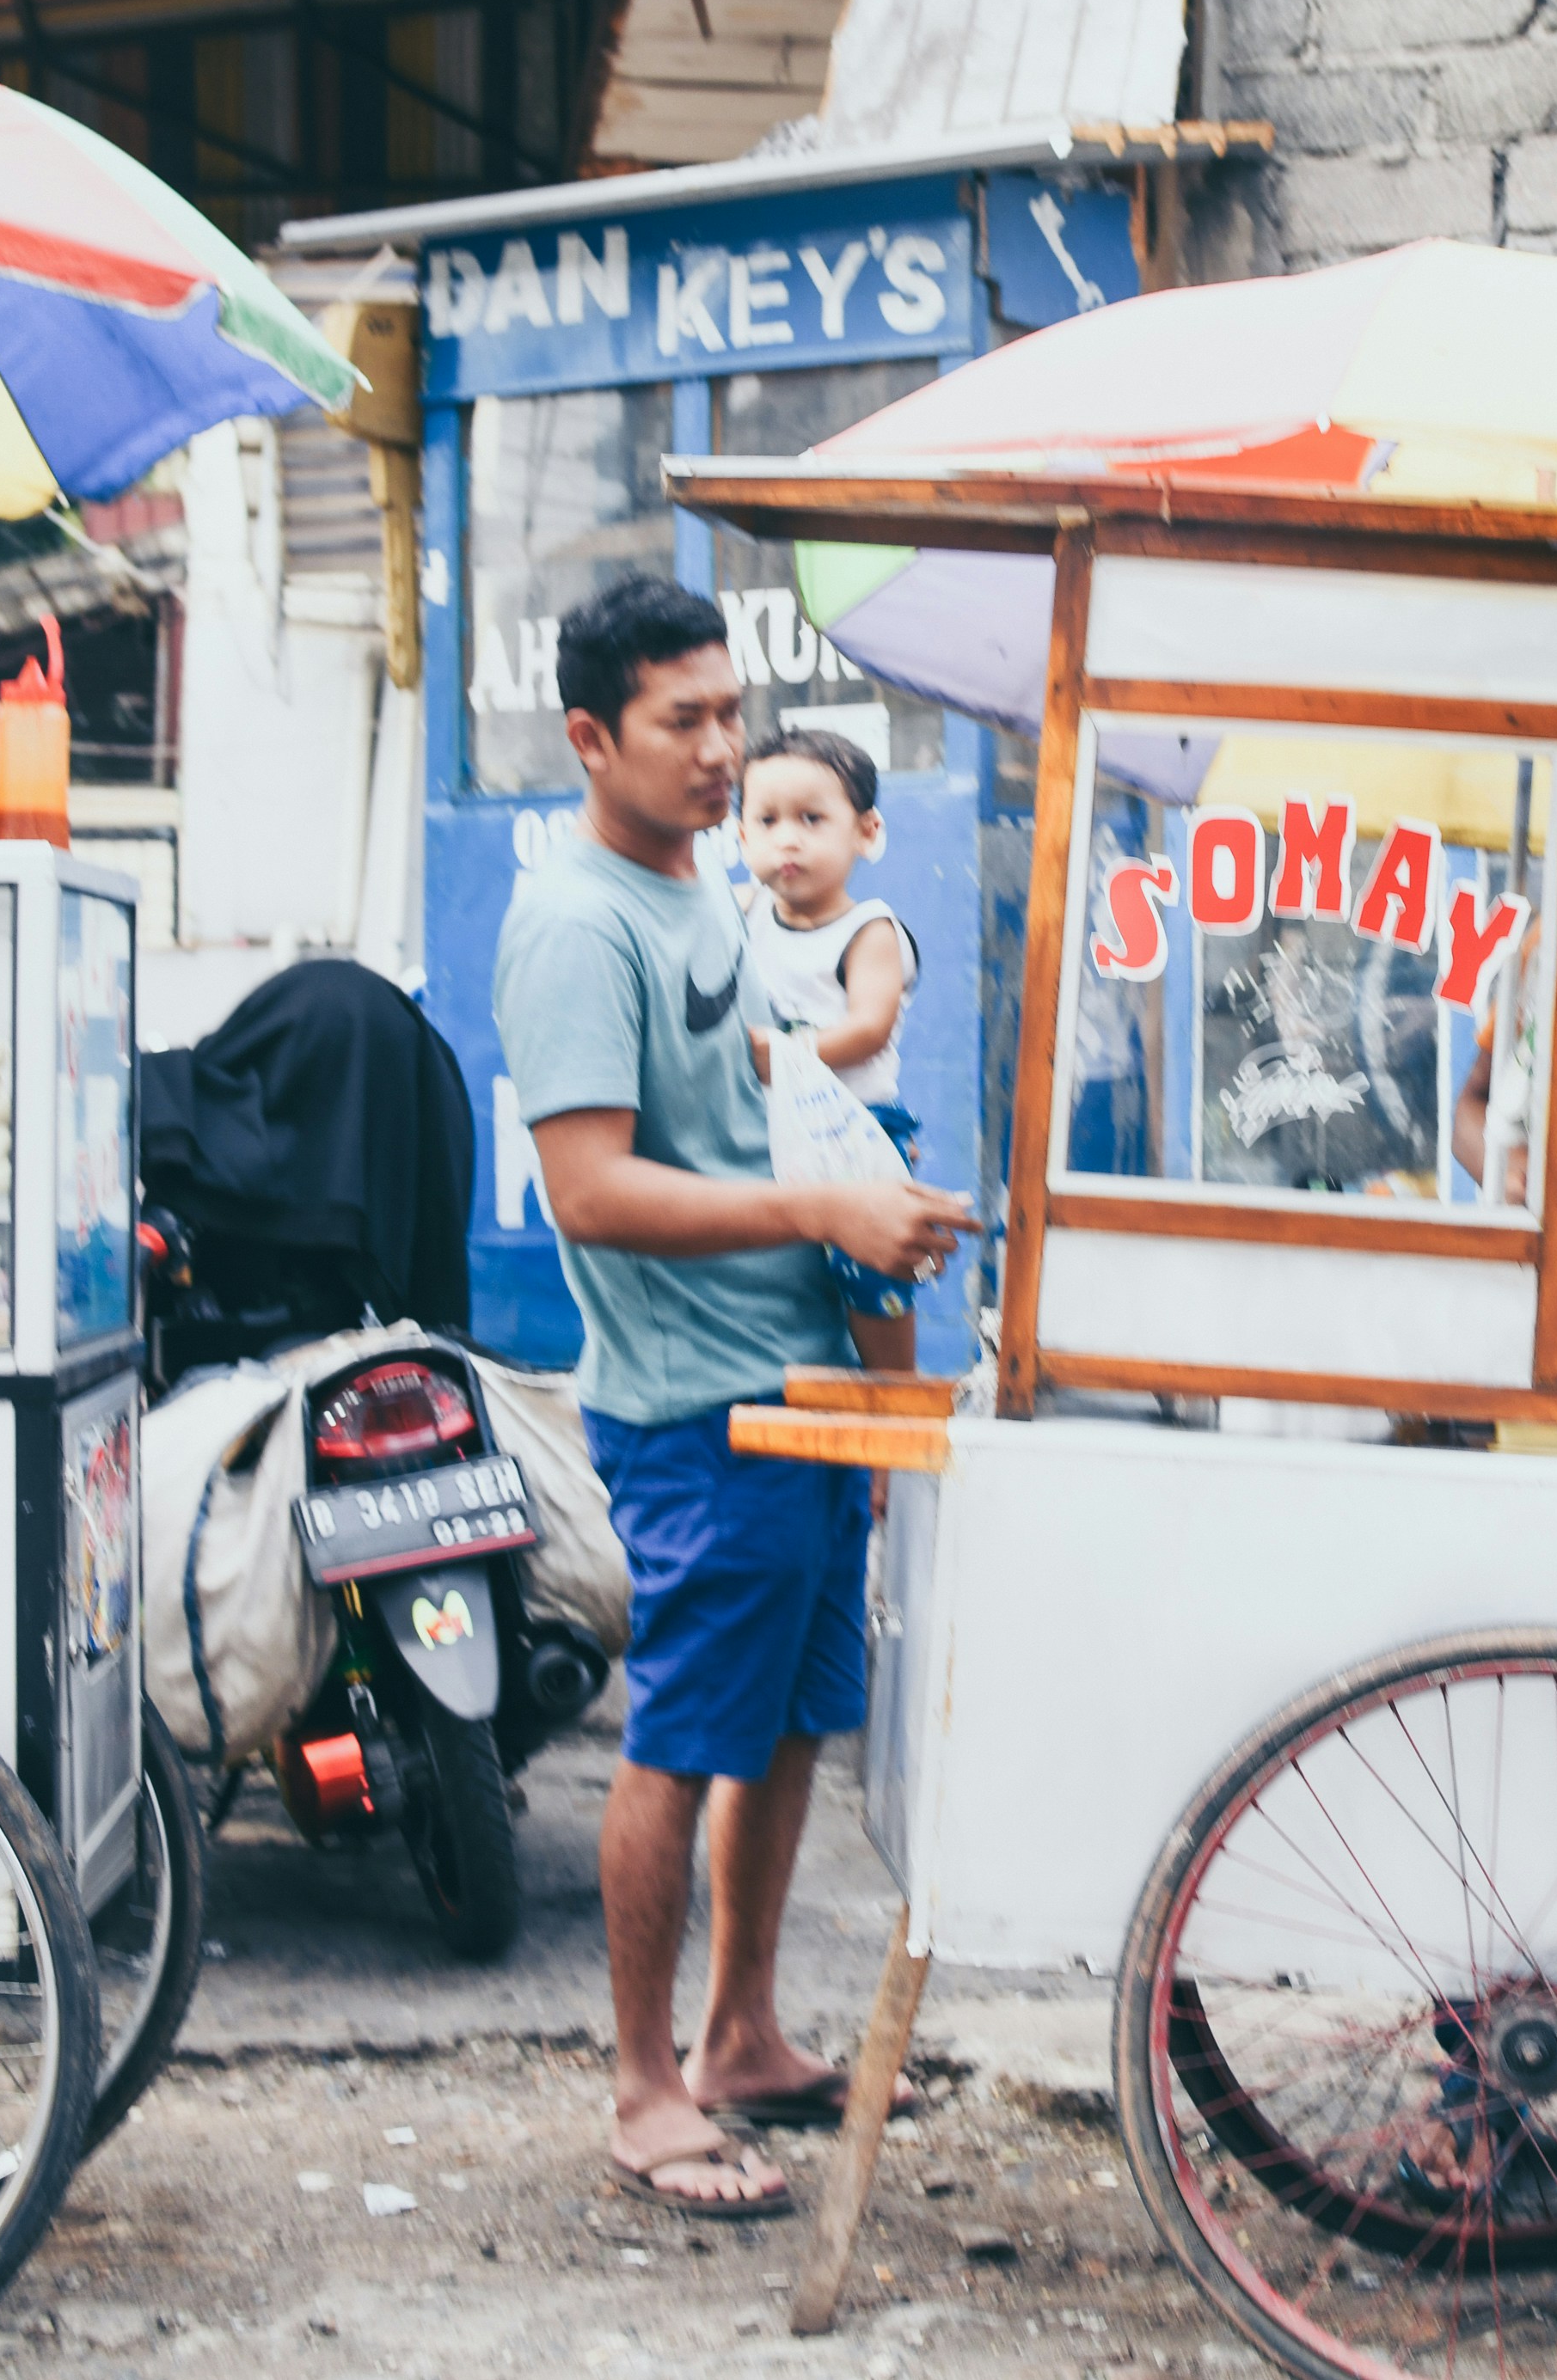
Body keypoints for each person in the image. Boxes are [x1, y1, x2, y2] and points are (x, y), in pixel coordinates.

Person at [492, 578, 977, 2219]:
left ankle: (744, 2033)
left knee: (787, 1723)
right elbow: (596, 1190)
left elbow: (763, 1095)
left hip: (799, 1370)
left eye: (728, 711)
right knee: (686, 1736)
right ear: (588, 738)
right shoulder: (579, 923)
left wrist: (879, 1196)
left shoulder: (708, 895)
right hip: (693, 1399)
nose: (721, 749)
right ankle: (643, 2086)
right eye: (681, 721)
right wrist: (817, 1213)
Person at [736, 725, 923, 1375]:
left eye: (811, 819)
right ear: (740, 838)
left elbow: (868, 1028)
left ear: (866, 832)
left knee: (873, 1278)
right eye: (766, 820)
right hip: (780, 1129)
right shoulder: (746, 910)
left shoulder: (867, 928)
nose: (787, 838)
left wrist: (778, 1052)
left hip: (858, 1129)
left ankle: (896, 1394)